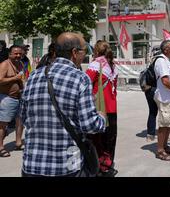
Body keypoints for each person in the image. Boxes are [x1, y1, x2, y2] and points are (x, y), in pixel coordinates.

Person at [20, 33, 106, 176]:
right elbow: (89, 125)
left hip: (32, 164)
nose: (85, 55)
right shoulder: (80, 78)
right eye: (85, 51)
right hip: (65, 166)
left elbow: (23, 117)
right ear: (74, 52)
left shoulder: (34, 76)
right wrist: (101, 118)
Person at [85, 41, 119, 176]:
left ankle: (100, 166)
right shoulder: (112, 65)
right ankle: (108, 163)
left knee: (96, 139)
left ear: (96, 51)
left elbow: (85, 84)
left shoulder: (95, 65)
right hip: (112, 107)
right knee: (109, 139)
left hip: (98, 108)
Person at [0, 45, 25, 158]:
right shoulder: (5, 64)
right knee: (2, 125)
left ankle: (18, 143)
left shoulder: (20, 64)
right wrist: (15, 78)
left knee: (20, 122)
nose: (18, 55)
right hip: (6, 98)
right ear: (10, 54)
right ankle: (0, 147)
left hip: (19, 97)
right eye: (15, 53)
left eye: (20, 53)